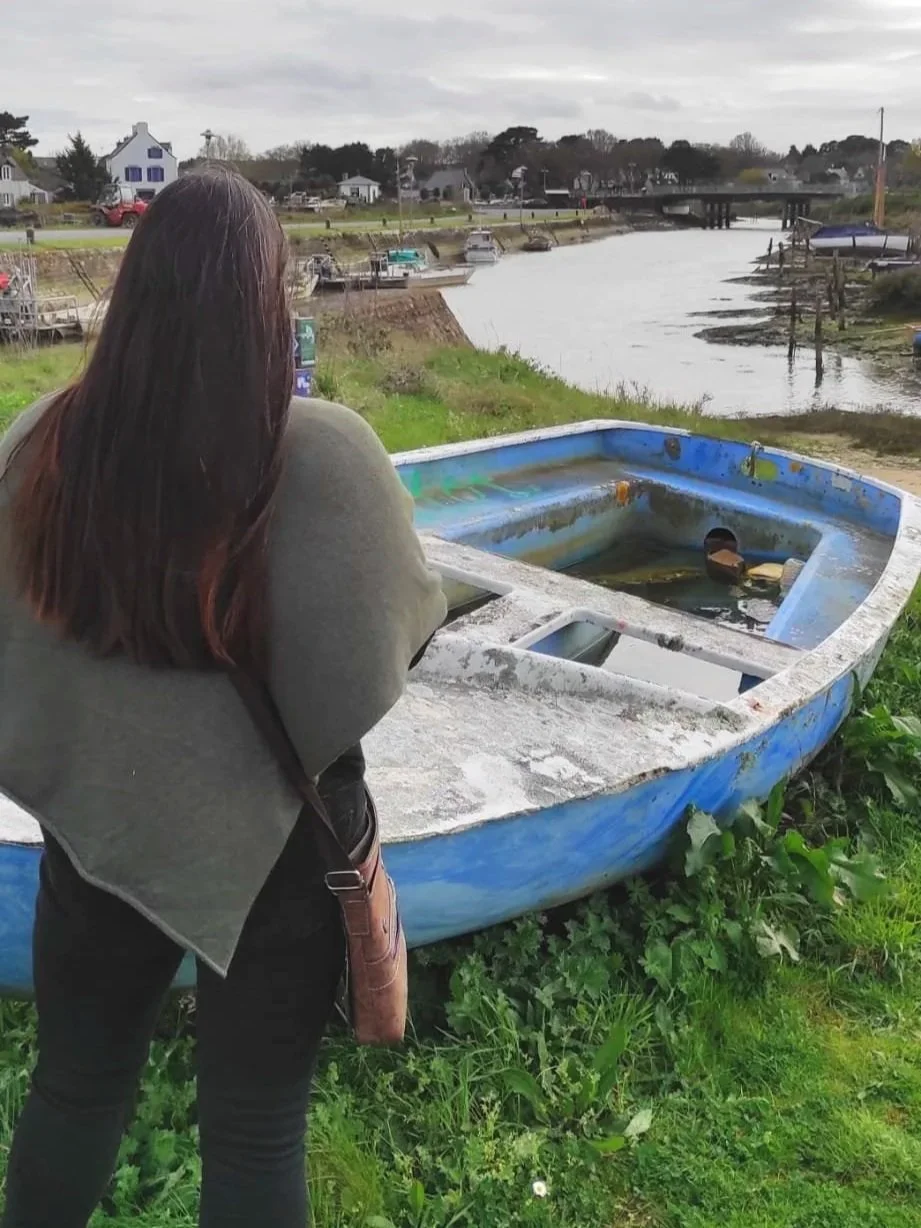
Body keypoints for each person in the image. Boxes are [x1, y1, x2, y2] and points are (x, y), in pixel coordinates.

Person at [0, 167, 445, 1228]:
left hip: (99, 824)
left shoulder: (42, 446)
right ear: (267, 298)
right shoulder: (328, 455)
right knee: (254, 1128)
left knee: (74, 1089)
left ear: (136, 293)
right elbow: (397, 641)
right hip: (286, 848)